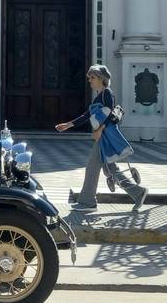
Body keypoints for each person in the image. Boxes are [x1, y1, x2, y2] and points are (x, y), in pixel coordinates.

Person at [55, 65, 148, 212]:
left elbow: (110, 113)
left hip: (105, 136)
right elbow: (86, 115)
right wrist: (68, 125)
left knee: (92, 167)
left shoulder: (107, 93)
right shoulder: (99, 96)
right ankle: (138, 193)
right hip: (102, 137)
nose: (89, 80)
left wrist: (99, 129)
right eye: (89, 78)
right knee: (110, 169)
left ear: (101, 78)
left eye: (92, 77)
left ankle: (87, 202)